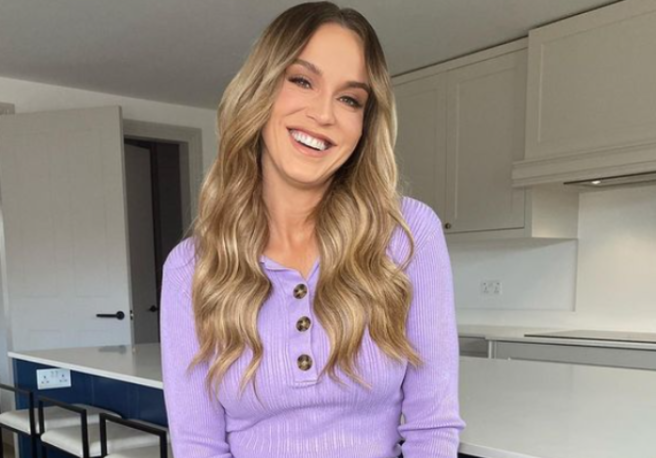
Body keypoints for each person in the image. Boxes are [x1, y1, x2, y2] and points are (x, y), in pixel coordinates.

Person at [160, 2, 465, 457]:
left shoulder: (407, 234)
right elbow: (198, 445)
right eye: (302, 80)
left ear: (364, 125)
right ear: (259, 91)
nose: (324, 114)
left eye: (350, 99)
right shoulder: (192, 267)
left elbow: (433, 426)